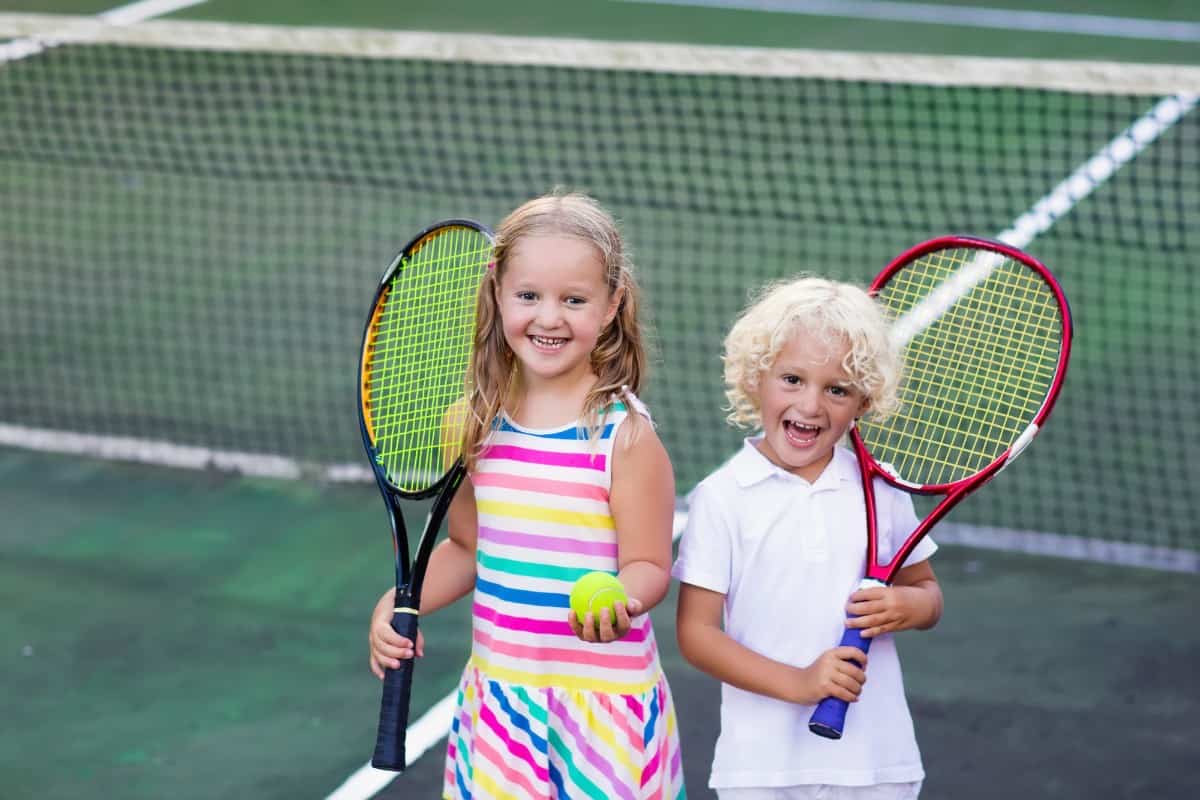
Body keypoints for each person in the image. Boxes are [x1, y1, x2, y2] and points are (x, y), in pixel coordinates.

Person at [368, 191, 685, 799]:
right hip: (502, 706)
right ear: (497, 293)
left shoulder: (625, 437)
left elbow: (649, 563)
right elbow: (468, 548)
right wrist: (399, 601)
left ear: (612, 304)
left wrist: (622, 598)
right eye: (529, 296)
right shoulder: (471, 424)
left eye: (574, 299)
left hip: (602, 709)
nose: (549, 318)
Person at [672, 275, 943, 800]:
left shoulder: (881, 490)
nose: (811, 405)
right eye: (792, 379)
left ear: (863, 401)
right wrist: (800, 683)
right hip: (761, 770)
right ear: (756, 378)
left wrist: (905, 606)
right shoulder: (722, 497)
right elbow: (697, 635)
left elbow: (928, 595)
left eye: (837, 389)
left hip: (876, 765)